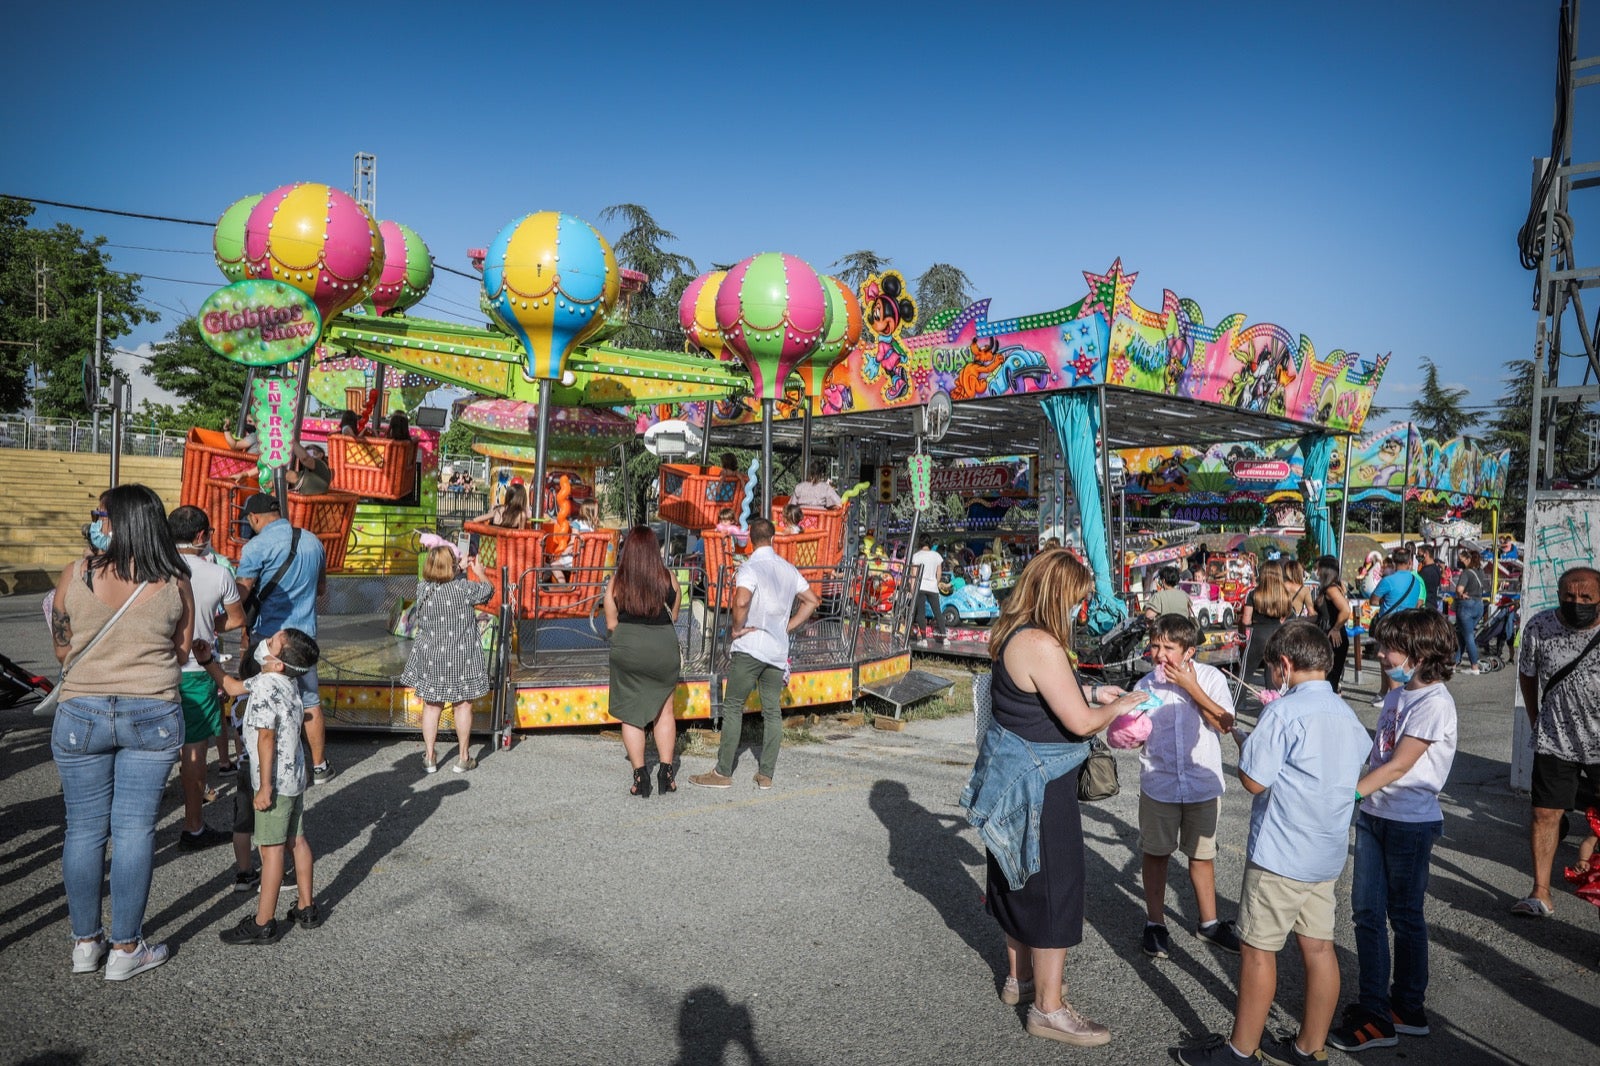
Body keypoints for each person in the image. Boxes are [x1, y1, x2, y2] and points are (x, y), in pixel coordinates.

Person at [962, 549, 1150, 1047]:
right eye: (1077, 601)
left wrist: (1092, 692)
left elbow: (1042, 696)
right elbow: (1080, 724)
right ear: (1057, 594)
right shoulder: (1042, 642)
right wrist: (1125, 702)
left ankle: (1019, 979)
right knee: (1055, 888)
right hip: (1040, 785)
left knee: (1015, 877)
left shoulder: (1010, 633)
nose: (1079, 611)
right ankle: (1048, 1008)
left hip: (1011, 780)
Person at [1176, 621, 1370, 1066]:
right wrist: (1246, 736)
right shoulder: (1345, 713)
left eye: (1270, 669)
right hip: (1325, 855)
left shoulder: (1282, 712)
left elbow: (1254, 781)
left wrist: (1249, 746)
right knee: (1319, 949)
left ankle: (1241, 1051)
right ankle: (1309, 1047)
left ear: (1284, 665)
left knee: (1258, 952)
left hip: (1280, 854)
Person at [48, 485, 195, 982]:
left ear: (119, 522)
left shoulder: (76, 573)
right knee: (134, 830)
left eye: (101, 515)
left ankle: (86, 944)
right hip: (151, 710)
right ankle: (127, 948)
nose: (96, 522)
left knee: (84, 829)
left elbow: (63, 653)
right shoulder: (176, 580)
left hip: (81, 712)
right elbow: (180, 651)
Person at [1327, 608, 1459, 1052]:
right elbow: (1377, 753)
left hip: (1408, 825)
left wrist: (1348, 796)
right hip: (1377, 817)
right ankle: (1382, 1006)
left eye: (1390, 648)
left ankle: (1394, 1011)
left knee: (1403, 917)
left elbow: (1401, 763)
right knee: (1367, 913)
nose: (1381, 654)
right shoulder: (1400, 693)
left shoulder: (1434, 703)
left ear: (1421, 654)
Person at [194, 629, 324, 943]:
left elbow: (266, 738)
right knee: (298, 840)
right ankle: (306, 907)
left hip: (274, 783)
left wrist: (264, 787)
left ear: (277, 663)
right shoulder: (285, 679)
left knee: (271, 850)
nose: (269, 639)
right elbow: (234, 685)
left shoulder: (267, 684)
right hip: (293, 778)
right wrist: (208, 661)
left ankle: (263, 922)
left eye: (275, 641)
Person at [1132, 614, 1242, 960]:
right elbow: (1133, 734)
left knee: (1202, 855)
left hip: (1201, 783)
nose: (1160, 654)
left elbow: (1225, 724)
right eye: (1155, 646)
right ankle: (1155, 924)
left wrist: (1191, 688)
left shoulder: (1210, 678)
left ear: (1190, 651)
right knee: (1156, 853)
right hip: (1159, 782)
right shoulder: (1144, 685)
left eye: (1169, 648)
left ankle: (1208, 923)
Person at [690, 518, 820, 790]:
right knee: (772, 711)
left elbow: (741, 600)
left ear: (750, 539)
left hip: (750, 646)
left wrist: (737, 628)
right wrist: (789, 626)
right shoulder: (788, 569)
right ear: (773, 538)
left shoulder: (749, 568)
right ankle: (766, 775)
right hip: (776, 649)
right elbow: (812, 601)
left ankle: (723, 771)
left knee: (734, 705)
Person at [1511, 566, 1600, 918]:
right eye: (1569, 597)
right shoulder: (1539, 626)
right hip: (1556, 741)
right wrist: (1537, 720)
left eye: (1586, 598)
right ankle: (1540, 892)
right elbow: (1528, 675)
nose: (1576, 603)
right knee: (1544, 813)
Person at [236, 493, 329, 781]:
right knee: (310, 702)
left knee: (263, 702)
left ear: (254, 518)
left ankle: (264, 765)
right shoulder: (313, 541)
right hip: (304, 639)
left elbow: (241, 594)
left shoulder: (256, 546)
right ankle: (319, 765)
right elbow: (322, 589)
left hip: (269, 640)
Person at [168, 505, 244, 850]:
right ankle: (193, 825)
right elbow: (236, 618)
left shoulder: (152, 567)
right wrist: (207, 630)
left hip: (151, 666)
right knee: (193, 751)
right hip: (195, 671)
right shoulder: (217, 573)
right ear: (202, 536)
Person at [603, 528, 683, 796]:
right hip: (663, 648)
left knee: (631, 712)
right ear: (653, 550)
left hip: (628, 647)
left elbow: (611, 624)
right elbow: (674, 615)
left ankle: (640, 777)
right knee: (665, 711)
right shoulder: (667, 578)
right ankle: (666, 773)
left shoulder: (617, 583)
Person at [400, 545, 494, 774]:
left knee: (432, 706)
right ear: (451, 567)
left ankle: (430, 757)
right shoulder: (463, 589)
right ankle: (463, 757)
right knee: (463, 705)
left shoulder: (423, 589)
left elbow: (442, 581)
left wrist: (456, 569)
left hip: (432, 657)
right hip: (460, 657)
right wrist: (479, 571)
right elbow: (488, 591)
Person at [1368, 550, 1426, 706]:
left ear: (1393, 562)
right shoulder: (1415, 582)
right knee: (1399, 660)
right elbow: (1417, 603)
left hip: (1389, 625)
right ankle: (1385, 693)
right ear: (1409, 563)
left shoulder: (1388, 581)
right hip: (1408, 624)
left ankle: (1392, 697)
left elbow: (1373, 600)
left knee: (1389, 660)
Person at [1240, 559, 1294, 688]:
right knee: (1273, 677)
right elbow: (1288, 613)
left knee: (1244, 675)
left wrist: (1243, 635)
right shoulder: (1285, 595)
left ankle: (1233, 705)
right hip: (1277, 633)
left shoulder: (1253, 593)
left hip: (1257, 633)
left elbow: (1245, 620)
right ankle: (1272, 704)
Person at [1312, 555, 1353, 692]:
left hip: (1331, 634)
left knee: (1328, 677)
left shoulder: (1331, 589)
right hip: (1328, 632)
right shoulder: (1336, 586)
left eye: (1318, 569)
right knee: (1328, 676)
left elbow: (1346, 610)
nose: (1316, 572)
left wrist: (1336, 628)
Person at [1452, 546, 1486, 676]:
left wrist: (1461, 594)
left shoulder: (1466, 573)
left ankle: (1474, 666)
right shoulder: (1480, 572)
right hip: (1479, 606)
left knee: (1468, 636)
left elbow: (1459, 589)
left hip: (1467, 606)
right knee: (1462, 634)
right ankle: (1453, 663)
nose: (1459, 562)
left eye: (1460, 559)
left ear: (1467, 559)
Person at [911, 537, 948, 642]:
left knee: (920, 614)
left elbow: (914, 574)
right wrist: (935, 583)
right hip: (932, 587)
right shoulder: (936, 555)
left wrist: (912, 590)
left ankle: (923, 639)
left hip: (920, 586)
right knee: (938, 613)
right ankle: (944, 638)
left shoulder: (916, 556)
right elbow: (939, 572)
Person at [1416, 544, 1443, 612]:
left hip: (1425, 605)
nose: (1417, 556)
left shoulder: (1426, 571)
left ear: (1426, 554)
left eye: (1419, 554)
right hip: (1433, 603)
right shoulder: (1436, 568)